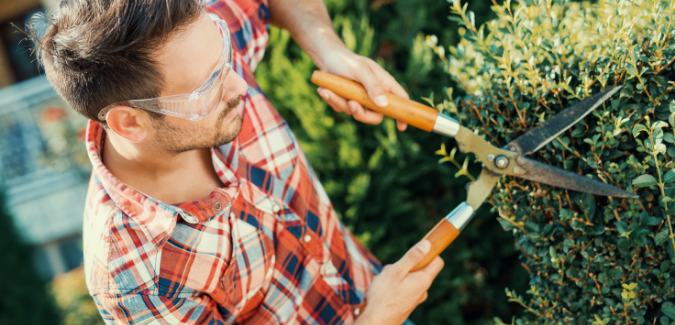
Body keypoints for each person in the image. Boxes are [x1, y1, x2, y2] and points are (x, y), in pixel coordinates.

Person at [30, 0, 444, 323]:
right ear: (129, 122)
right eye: (210, 85)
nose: (239, 82)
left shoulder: (194, 51)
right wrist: (379, 318)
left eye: (225, 50)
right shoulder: (136, 280)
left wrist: (331, 51)